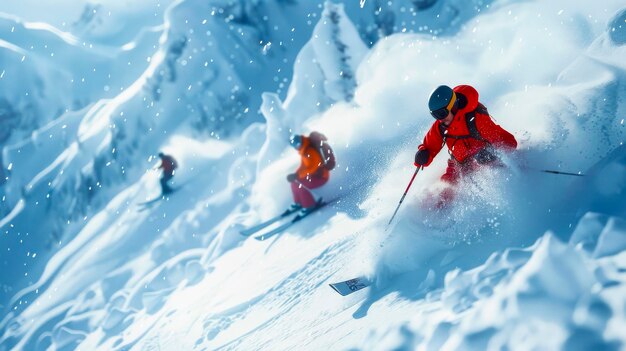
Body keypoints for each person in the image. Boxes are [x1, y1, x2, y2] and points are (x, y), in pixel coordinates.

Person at [414, 85, 517, 207]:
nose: (439, 119)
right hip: (459, 165)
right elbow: (429, 145)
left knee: (486, 165)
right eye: (435, 115)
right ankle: (430, 216)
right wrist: (423, 153)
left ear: (452, 106)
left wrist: (492, 154)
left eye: (441, 113)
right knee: (444, 191)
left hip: (484, 159)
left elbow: (509, 143)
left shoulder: (476, 120)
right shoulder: (441, 125)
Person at [287, 132, 334, 214]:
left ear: (301, 141)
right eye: (295, 146)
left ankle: (309, 205)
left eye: (297, 145)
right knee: (294, 183)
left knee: (301, 185)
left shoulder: (310, 150)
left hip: (321, 177)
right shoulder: (304, 150)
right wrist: (295, 175)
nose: (297, 147)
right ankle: (298, 203)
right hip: (313, 176)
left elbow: (313, 167)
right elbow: (303, 166)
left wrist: (298, 175)